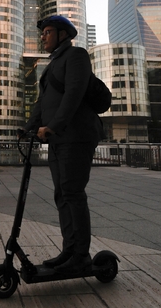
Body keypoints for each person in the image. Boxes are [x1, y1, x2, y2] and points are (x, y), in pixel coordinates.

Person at [21, 15, 103, 275]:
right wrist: (29, 128)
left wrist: (53, 125)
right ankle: (69, 251)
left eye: (47, 32)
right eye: (42, 32)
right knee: (62, 194)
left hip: (76, 136)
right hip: (57, 139)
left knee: (72, 193)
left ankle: (80, 255)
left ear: (63, 34)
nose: (43, 36)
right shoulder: (52, 65)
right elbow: (41, 103)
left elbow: (74, 94)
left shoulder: (77, 56)